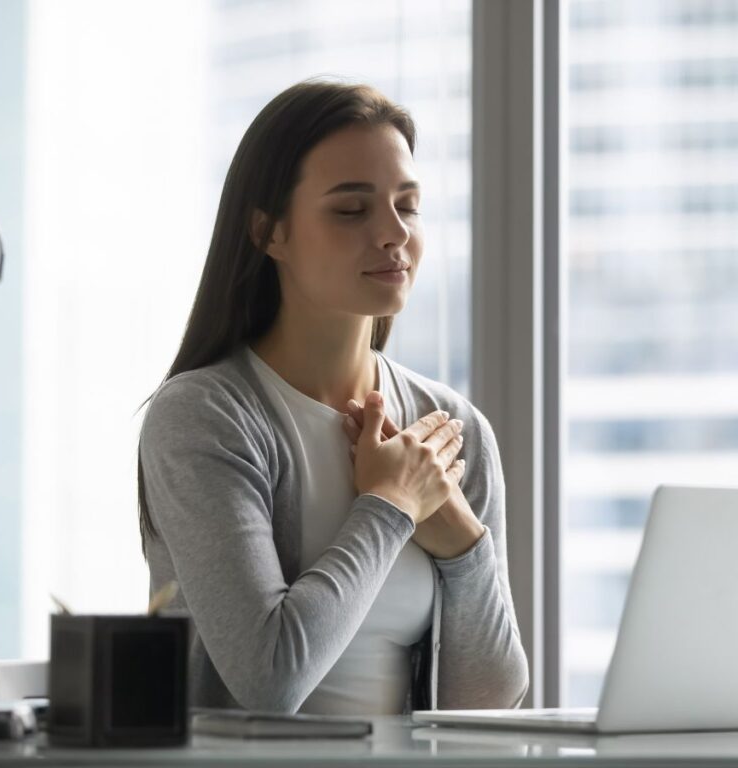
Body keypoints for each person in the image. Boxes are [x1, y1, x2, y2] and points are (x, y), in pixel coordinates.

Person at [137, 78, 529, 715]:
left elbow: (489, 699)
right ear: (269, 232)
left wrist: (461, 540)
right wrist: (391, 504)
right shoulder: (204, 415)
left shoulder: (451, 429)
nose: (393, 232)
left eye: (408, 205)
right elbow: (269, 682)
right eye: (351, 210)